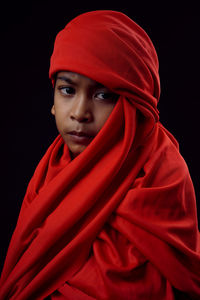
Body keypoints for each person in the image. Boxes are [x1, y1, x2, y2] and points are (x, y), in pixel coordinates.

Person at [0, 10, 199, 300]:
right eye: (67, 90)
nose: (79, 113)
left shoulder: (161, 177)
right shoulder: (51, 171)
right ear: (53, 100)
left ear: (136, 105)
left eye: (104, 95)